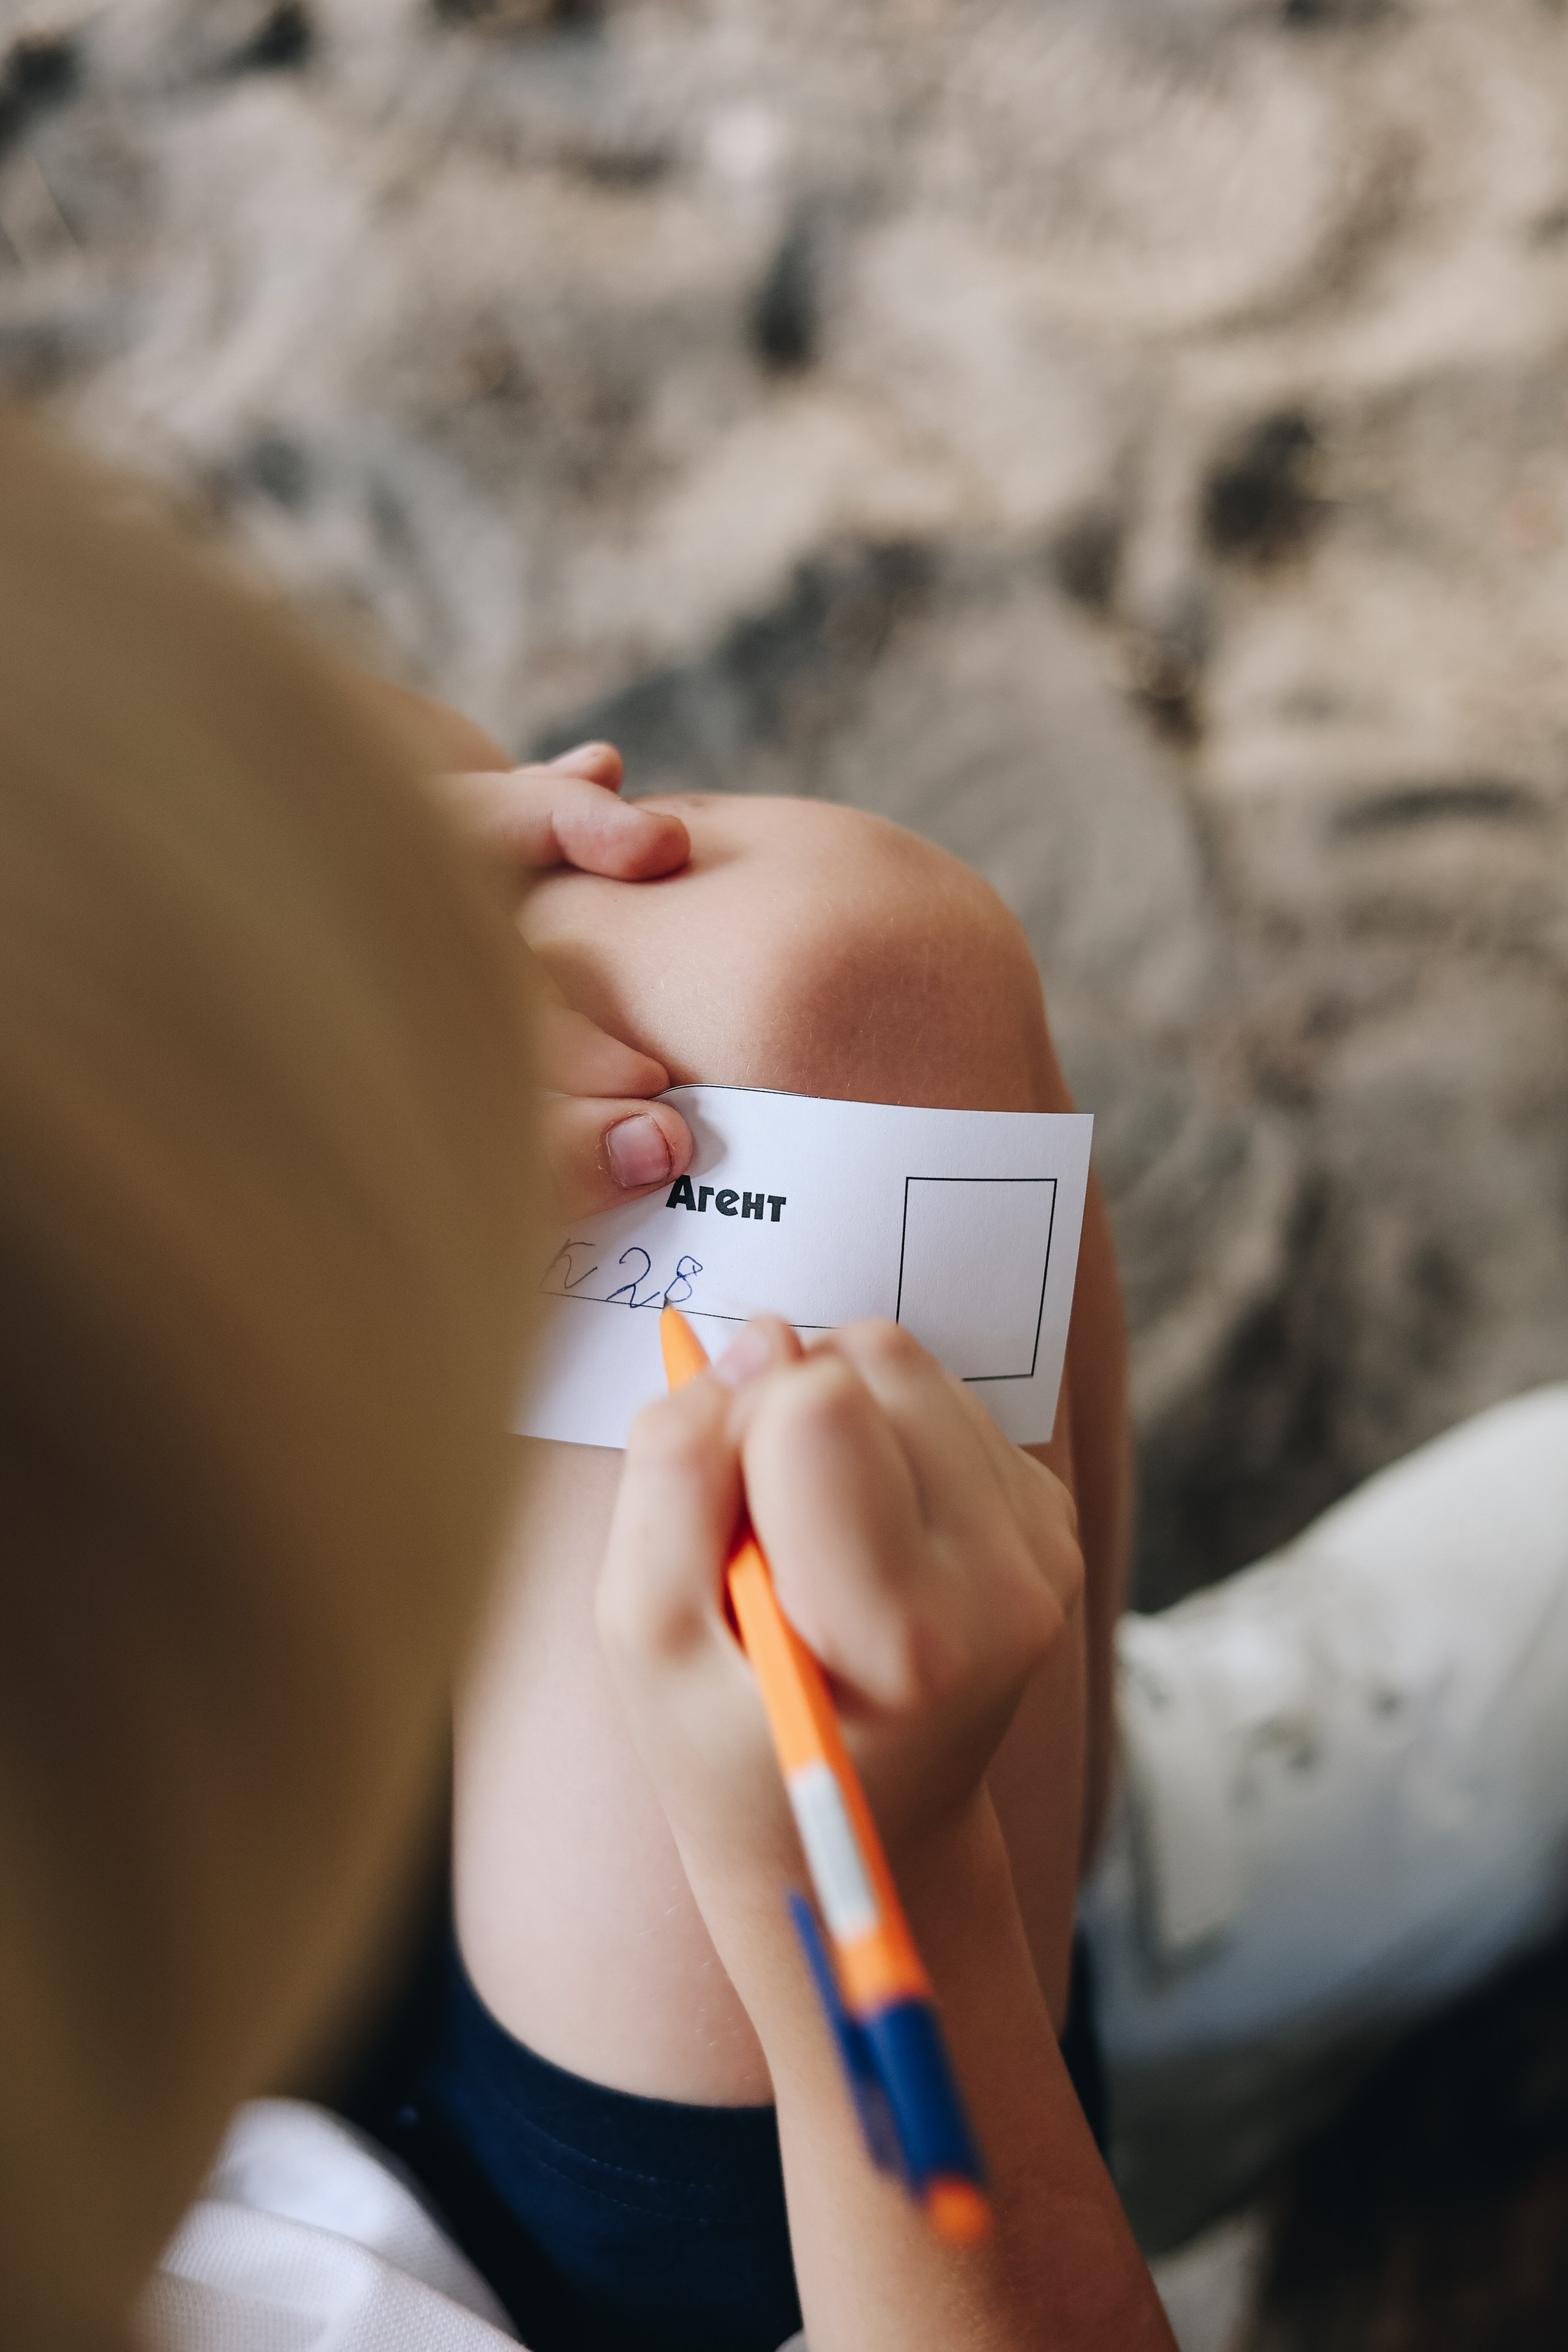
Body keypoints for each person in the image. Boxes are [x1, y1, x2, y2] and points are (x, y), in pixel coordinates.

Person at [0, 410, 1175, 2352]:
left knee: (765, 988)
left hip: (150, 1935)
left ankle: (1028, 1812)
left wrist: (243, 959)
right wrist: (905, 1914)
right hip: (605, 2257)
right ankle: (1025, 1913)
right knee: (859, 1017)